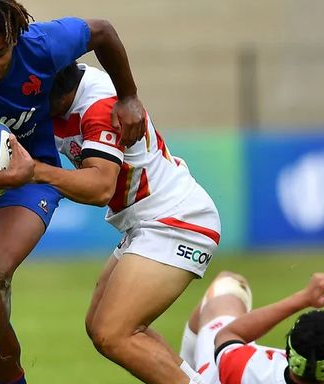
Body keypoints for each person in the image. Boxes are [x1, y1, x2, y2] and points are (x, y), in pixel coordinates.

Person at [0, 0, 146, 384]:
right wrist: (0, 176)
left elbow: (103, 31)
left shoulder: (42, 44)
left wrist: (128, 96)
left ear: (14, 40)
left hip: (31, 176)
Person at [31, 62, 222, 383]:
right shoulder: (59, 83)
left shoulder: (100, 108)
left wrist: (33, 171)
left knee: (114, 333)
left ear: (60, 93)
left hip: (177, 220)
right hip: (147, 222)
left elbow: (100, 188)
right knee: (100, 326)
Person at [181, 270, 324, 383]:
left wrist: (304, 298)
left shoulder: (245, 369)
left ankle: (184, 370)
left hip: (213, 374)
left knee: (228, 283)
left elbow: (230, 333)